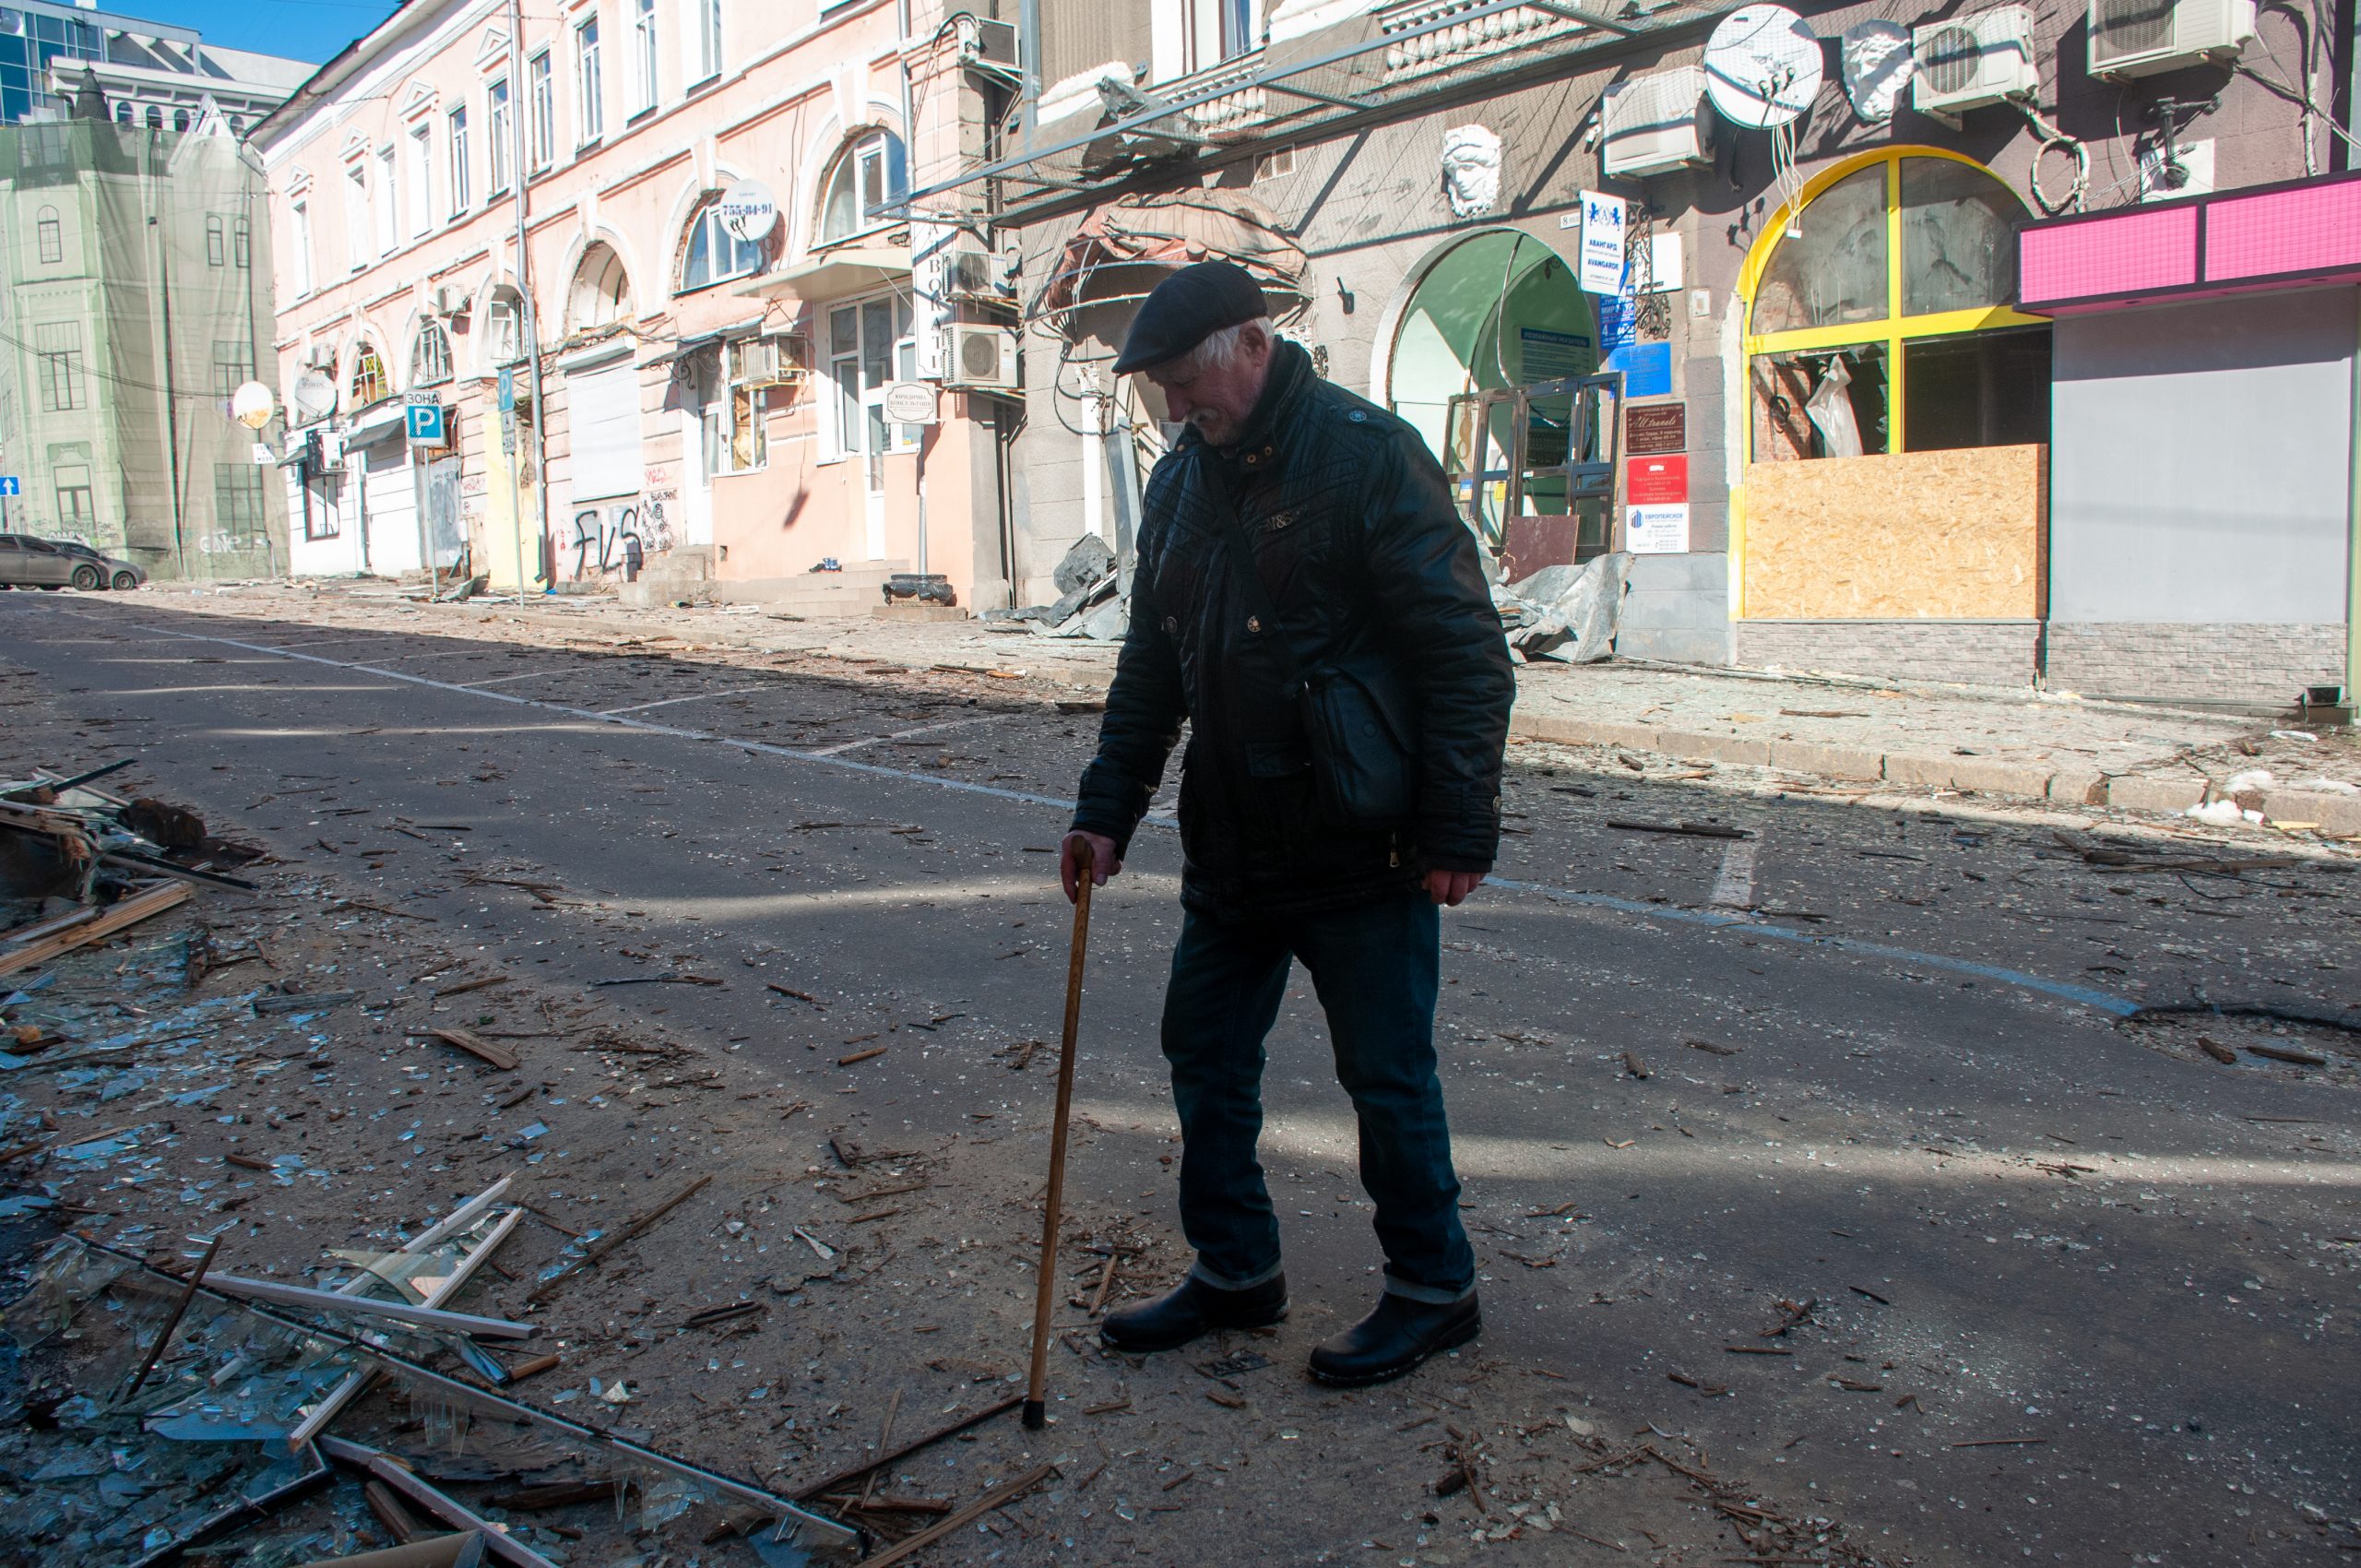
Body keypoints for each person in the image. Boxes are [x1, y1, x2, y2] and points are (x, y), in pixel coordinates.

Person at [1060, 260, 1513, 1386]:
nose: (1176, 408)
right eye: (1162, 389)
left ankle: (1431, 1286)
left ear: (1252, 346)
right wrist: (1103, 810)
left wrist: (1458, 825)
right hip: (1233, 840)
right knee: (1203, 1054)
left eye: (1184, 381)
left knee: (1387, 1076)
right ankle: (1234, 1269)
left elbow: (1463, 651)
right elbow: (1150, 667)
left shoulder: (1367, 454)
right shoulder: (1179, 484)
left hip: (1362, 836)